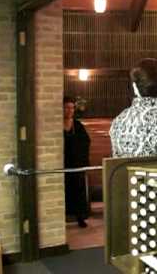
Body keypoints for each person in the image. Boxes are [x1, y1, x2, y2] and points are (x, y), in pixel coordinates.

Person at [63, 96, 91, 228]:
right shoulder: (57, 125)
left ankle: (80, 217)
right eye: (66, 108)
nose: (69, 111)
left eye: (71, 108)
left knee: (78, 190)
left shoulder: (78, 125)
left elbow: (86, 142)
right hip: (63, 163)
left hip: (76, 163)